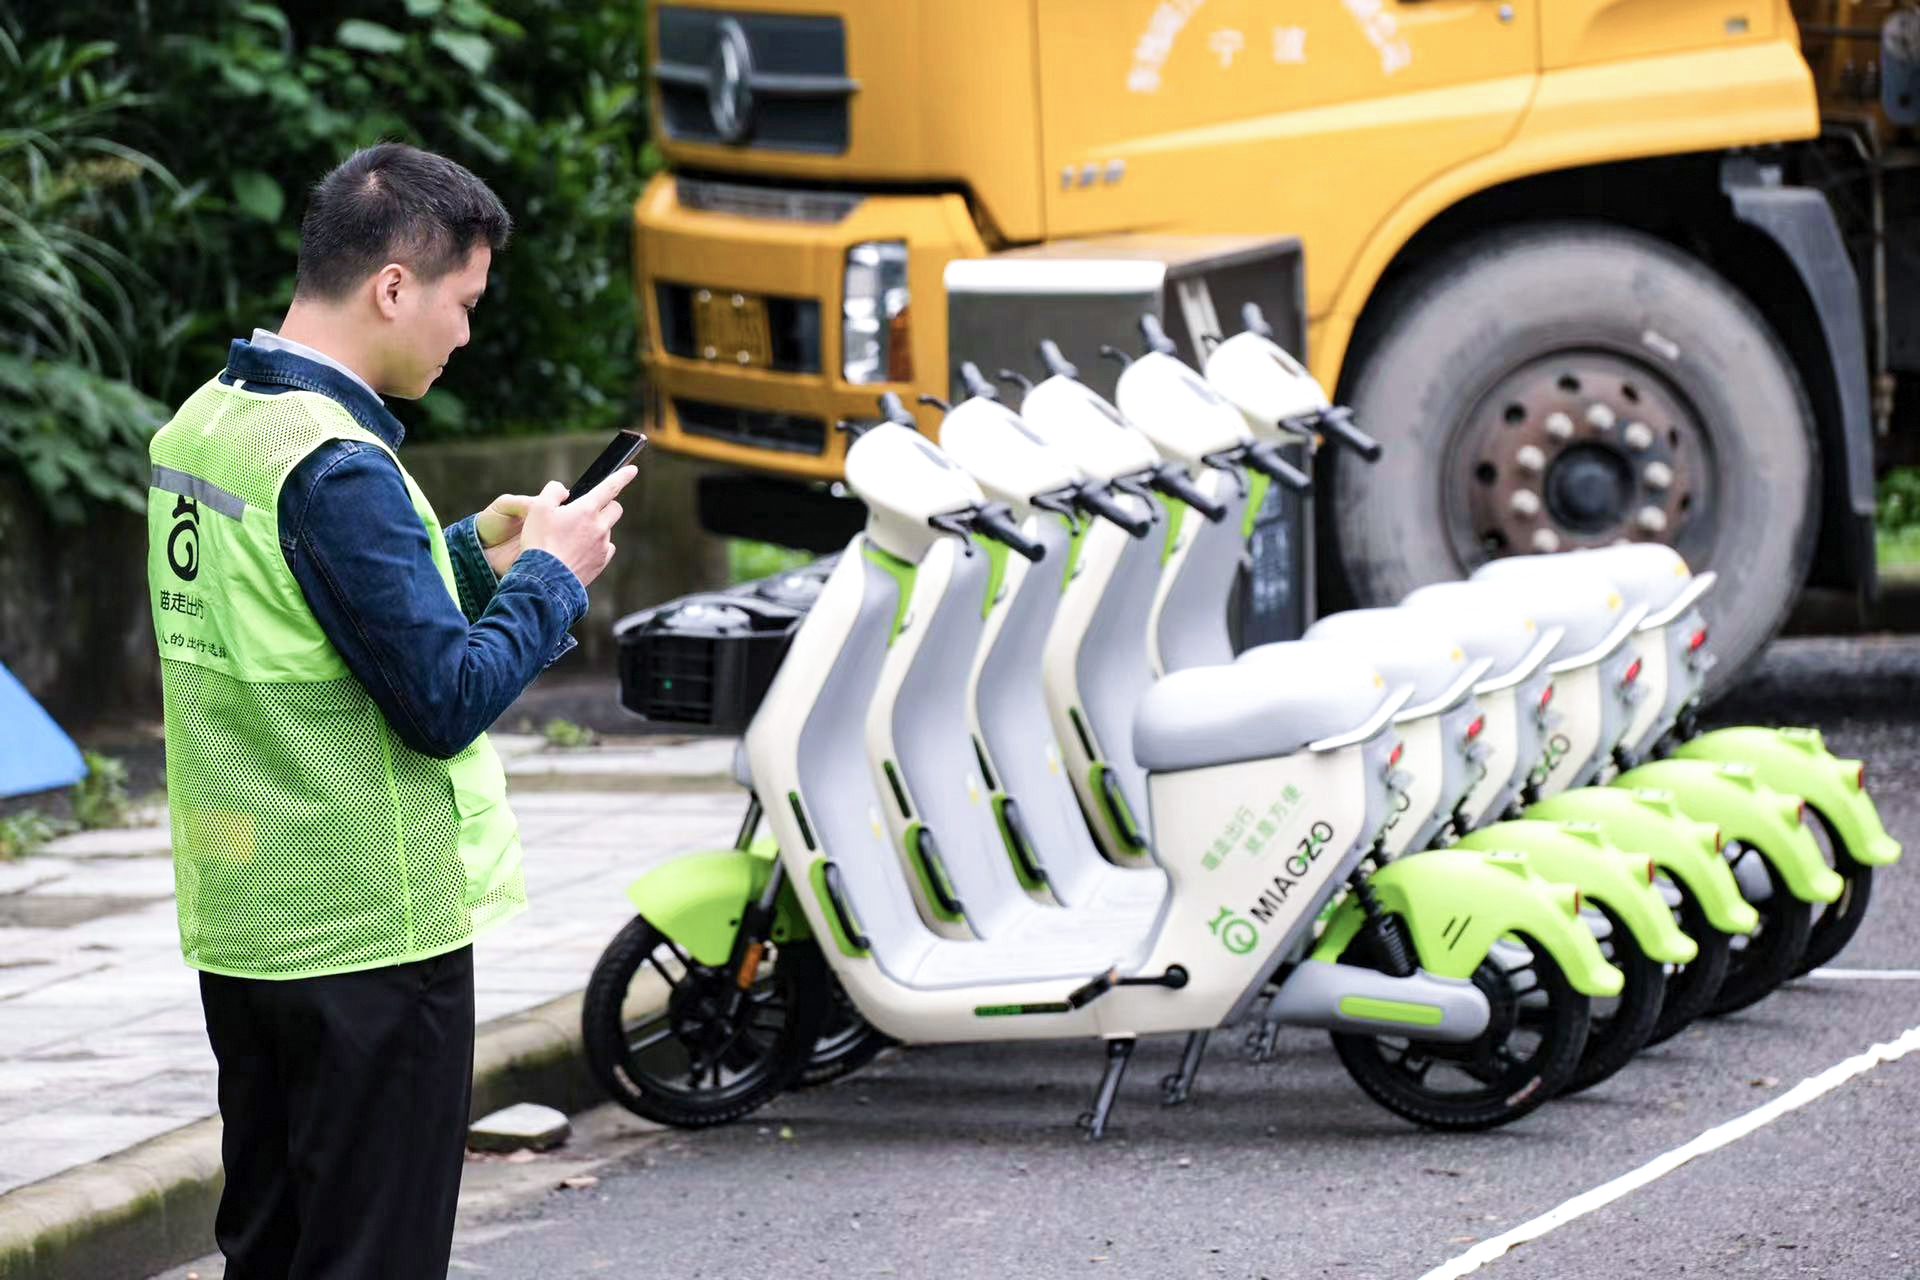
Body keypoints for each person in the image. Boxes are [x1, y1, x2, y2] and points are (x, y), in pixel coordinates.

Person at [144, 142, 635, 1278]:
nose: (465, 333)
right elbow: (439, 698)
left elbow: (303, 615)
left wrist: (464, 551)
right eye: (463, 302)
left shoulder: (208, 424)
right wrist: (551, 578)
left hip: (252, 919)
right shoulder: (339, 461)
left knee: (270, 1244)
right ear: (394, 288)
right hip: (370, 925)